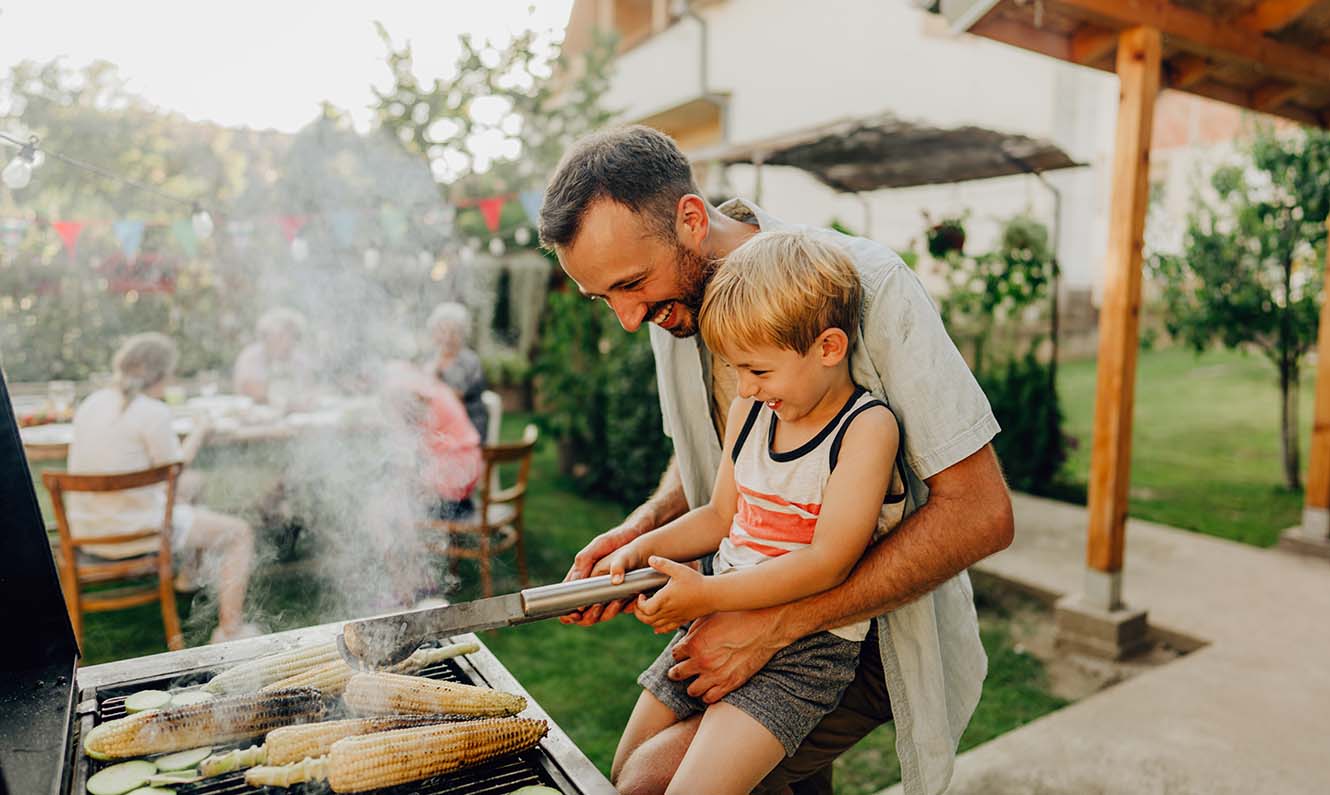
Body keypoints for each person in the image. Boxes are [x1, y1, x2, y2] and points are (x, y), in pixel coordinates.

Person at [539, 125, 1013, 795]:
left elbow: (982, 513)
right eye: (604, 297)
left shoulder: (870, 286)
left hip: (864, 631)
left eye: (631, 284)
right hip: (741, 595)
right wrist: (639, 533)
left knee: (647, 781)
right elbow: (716, 462)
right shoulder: (673, 304)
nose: (625, 317)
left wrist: (772, 625)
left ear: (691, 220)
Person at [602, 231, 907, 795]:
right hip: (718, 617)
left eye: (758, 371)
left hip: (806, 649)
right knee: (625, 775)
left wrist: (707, 595)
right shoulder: (752, 408)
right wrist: (639, 548)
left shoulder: (865, 430)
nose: (743, 387)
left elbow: (827, 563)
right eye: (736, 370)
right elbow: (720, 517)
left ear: (829, 348)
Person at [68, 332, 259, 644]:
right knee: (240, 533)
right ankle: (230, 630)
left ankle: (187, 578)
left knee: (195, 485)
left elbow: (169, 477)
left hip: (87, 530)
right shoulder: (152, 411)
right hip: (139, 531)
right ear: (161, 374)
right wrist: (200, 430)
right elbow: (174, 468)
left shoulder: (91, 403)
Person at [424, 302, 489, 439]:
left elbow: (457, 396)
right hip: (438, 423)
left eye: (454, 332)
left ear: (462, 334)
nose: (447, 337)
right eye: (442, 331)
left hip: (467, 425)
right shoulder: (429, 358)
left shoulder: (470, 361)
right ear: (434, 333)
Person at [233, 306, 311, 408]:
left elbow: (309, 390)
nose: (289, 341)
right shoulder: (251, 356)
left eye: (293, 335)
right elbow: (250, 389)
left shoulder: (299, 359)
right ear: (267, 335)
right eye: (282, 335)